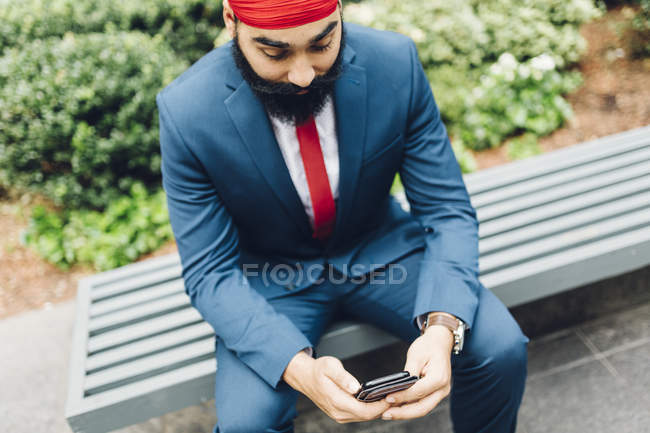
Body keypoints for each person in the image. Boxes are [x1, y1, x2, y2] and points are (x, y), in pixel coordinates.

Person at [156, 0, 529, 431]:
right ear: (230, 21)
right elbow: (210, 273)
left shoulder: (395, 64)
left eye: (322, 43)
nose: (303, 74)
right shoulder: (187, 111)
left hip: (382, 251)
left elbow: (446, 210)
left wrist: (443, 327)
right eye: (275, 53)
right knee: (247, 424)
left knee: (500, 349)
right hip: (270, 278)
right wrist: (300, 370)